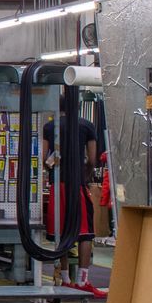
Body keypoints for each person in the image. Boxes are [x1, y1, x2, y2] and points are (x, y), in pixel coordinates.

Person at [40, 114, 100, 288]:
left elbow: (44, 157)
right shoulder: (87, 125)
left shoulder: (49, 127)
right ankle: (82, 280)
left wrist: (52, 171)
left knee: (61, 232)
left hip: (57, 185)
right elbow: (92, 158)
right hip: (77, 185)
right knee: (85, 233)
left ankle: (64, 279)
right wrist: (85, 174)